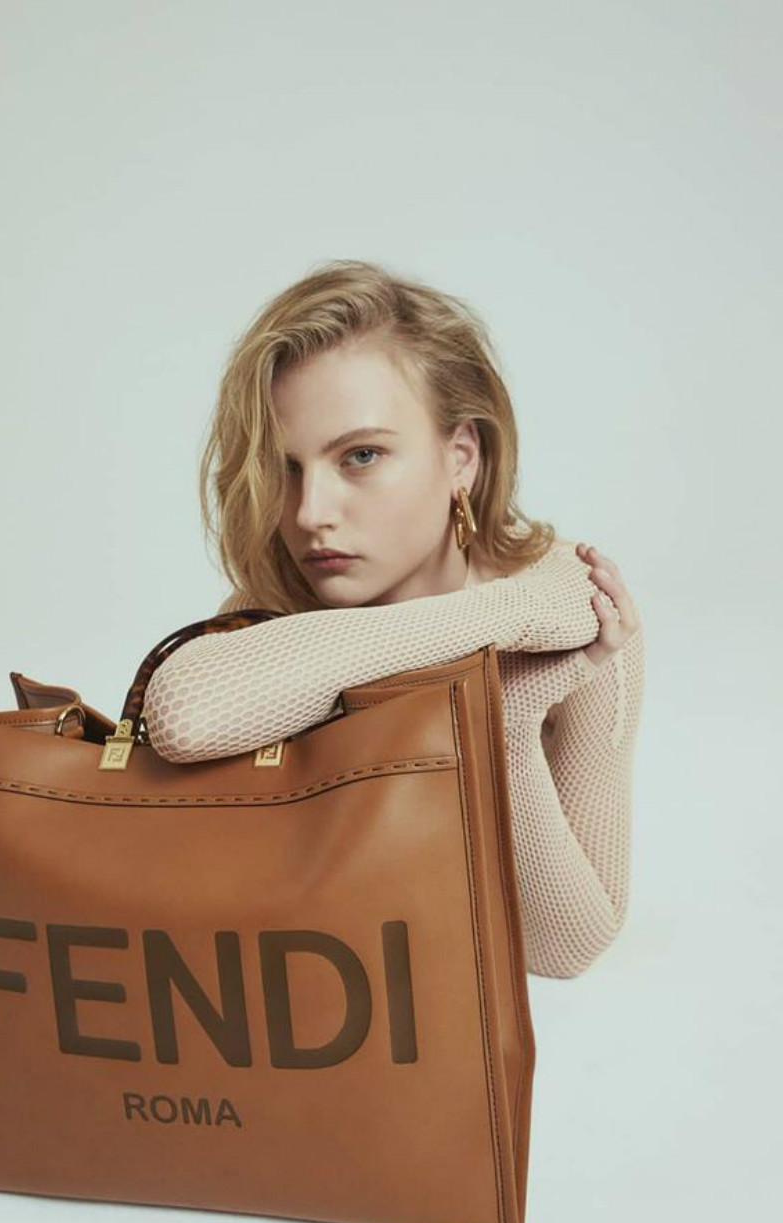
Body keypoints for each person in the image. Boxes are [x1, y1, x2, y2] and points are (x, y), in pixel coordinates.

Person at [142, 259, 645, 980]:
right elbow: (182, 715)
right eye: (286, 467)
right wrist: (503, 616)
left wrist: (509, 719)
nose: (310, 513)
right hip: (284, 1004)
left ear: (461, 457)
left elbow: (563, 949)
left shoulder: (585, 615)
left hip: (427, 1028)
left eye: (361, 455)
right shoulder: (531, 608)